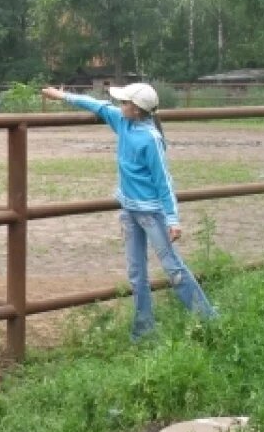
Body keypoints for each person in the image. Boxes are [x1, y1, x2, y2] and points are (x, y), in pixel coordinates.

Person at [41, 82, 218, 340]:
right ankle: (143, 330)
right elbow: (95, 104)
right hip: (129, 210)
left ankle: (208, 319)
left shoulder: (150, 139)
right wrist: (62, 95)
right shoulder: (122, 121)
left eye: (125, 102)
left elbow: (163, 180)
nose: (119, 105)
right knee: (136, 274)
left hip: (151, 214)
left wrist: (172, 218)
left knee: (174, 269)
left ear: (136, 110)